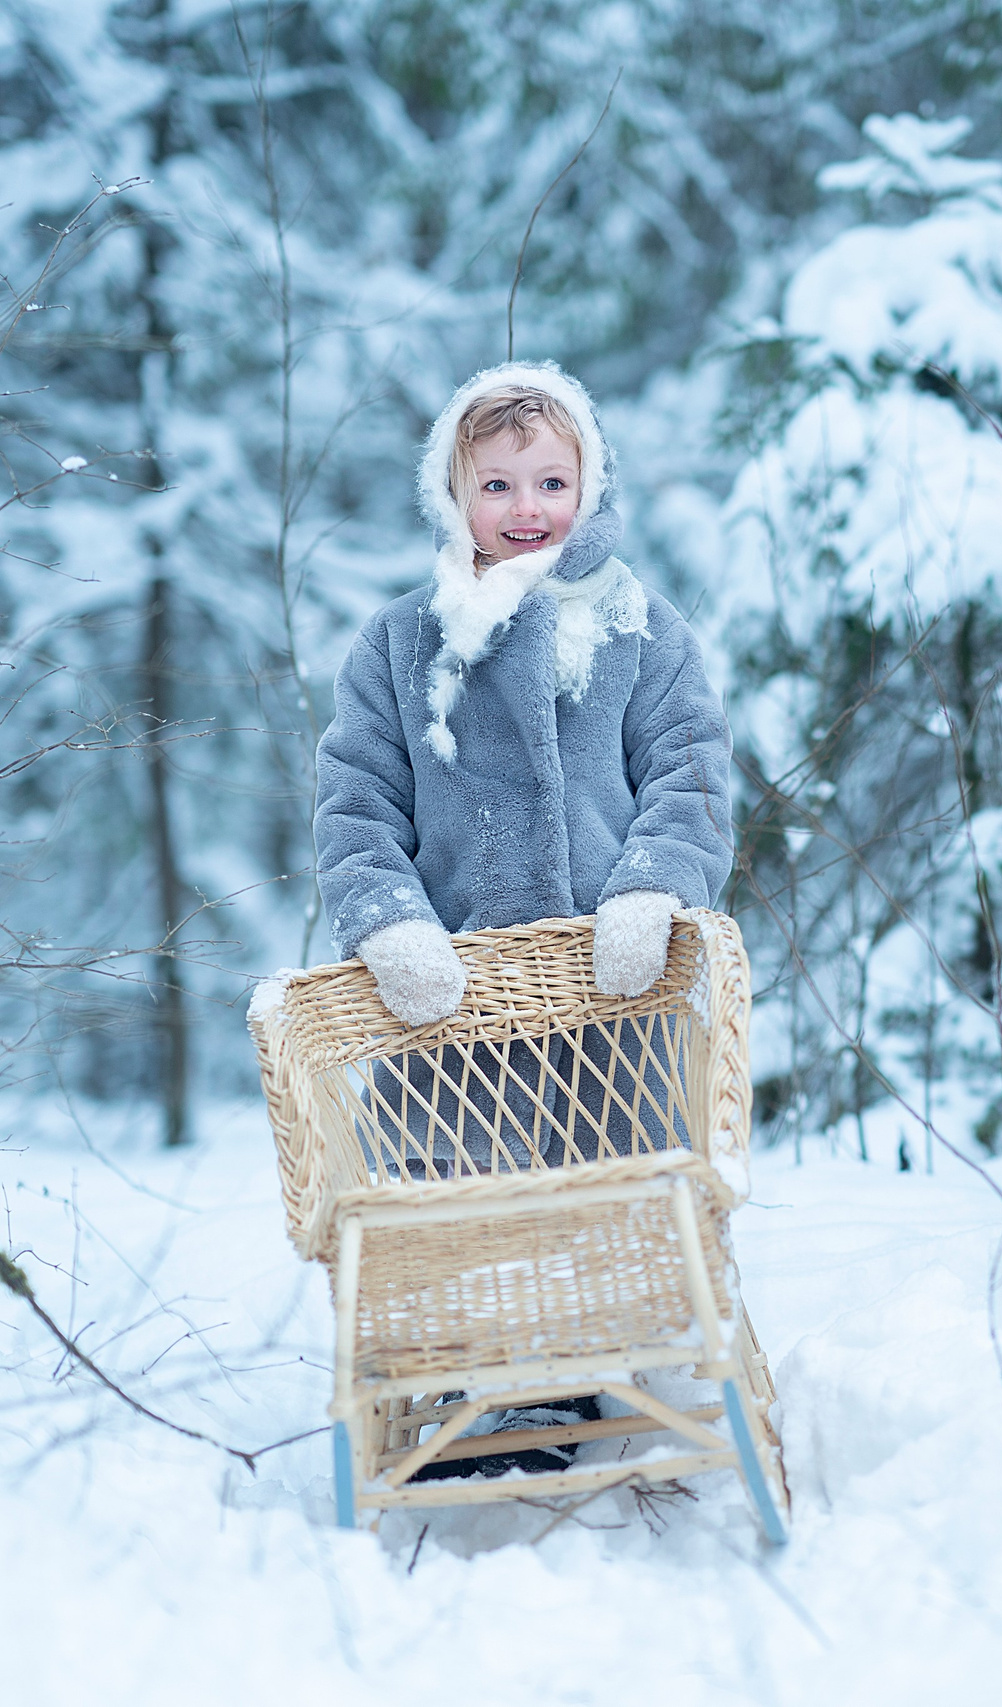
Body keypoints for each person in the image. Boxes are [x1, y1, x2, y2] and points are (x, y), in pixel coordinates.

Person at [311, 360, 735, 1475]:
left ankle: (597, 1351)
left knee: (606, 1174)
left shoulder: (640, 628)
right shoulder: (401, 644)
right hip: (451, 995)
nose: (526, 509)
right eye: (495, 486)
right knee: (459, 1183)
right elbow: (355, 803)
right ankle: (471, 1371)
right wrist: (388, 921)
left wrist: (652, 888)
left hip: (608, 983)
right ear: (451, 497)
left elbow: (689, 773)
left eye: (550, 481)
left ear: (589, 485)